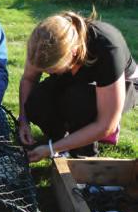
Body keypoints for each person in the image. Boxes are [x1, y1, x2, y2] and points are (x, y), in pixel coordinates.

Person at [19, 9, 137, 162]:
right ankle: (60, 139)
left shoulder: (107, 47)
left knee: (79, 100)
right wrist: (23, 120)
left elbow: (106, 125)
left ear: (73, 52)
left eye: (51, 70)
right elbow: (29, 79)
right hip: (74, 76)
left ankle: (82, 156)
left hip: (123, 85)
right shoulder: (42, 41)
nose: (47, 73)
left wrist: (51, 149)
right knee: (36, 101)